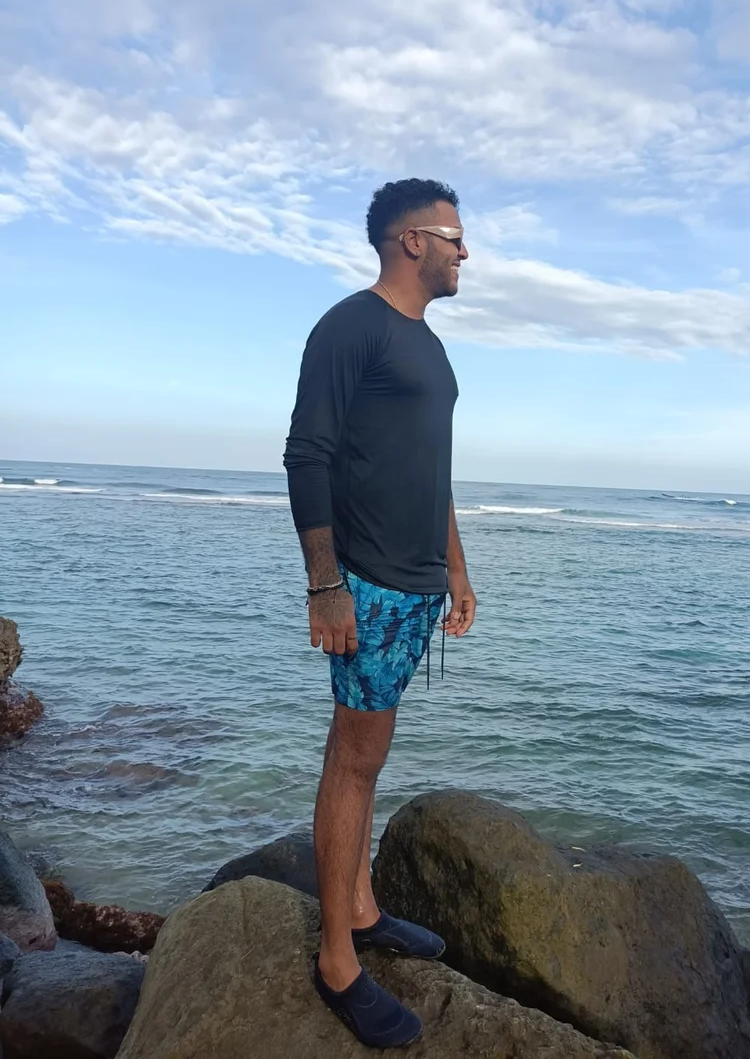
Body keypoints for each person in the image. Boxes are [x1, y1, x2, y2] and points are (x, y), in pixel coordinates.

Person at [283, 178, 477, 1048]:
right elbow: (307, 453)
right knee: (354, 758)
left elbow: (433, 468)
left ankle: (361, 907)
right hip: (366, 582)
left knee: (372, 752)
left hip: (417, 582)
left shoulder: (427, 346)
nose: (465, 251)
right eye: (455, 237)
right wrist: (325, 585)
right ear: (412, 241)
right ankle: (336, 960)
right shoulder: (350, 326)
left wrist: (456, 568)